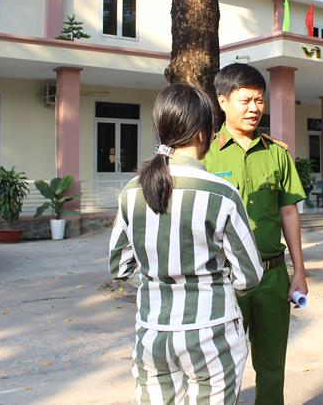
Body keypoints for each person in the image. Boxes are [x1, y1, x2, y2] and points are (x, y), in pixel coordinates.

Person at [108, 83, 263, 405]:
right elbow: (249, 275)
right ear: (203, 133)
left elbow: (120, 266)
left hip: (152, 332)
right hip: (212, 330)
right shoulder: (221, 193)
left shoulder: (131, 192)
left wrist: (156, 281)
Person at [203, 63, 307, 405]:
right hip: (224, 278)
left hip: (272, 275)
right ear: (222, 102)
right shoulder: (205, 155)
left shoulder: (277, 154)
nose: (254, 108)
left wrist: (299, 271)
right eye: (245, 100)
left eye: (259, 100)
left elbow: (288, 212)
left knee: (272, 366)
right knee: (220, 367)